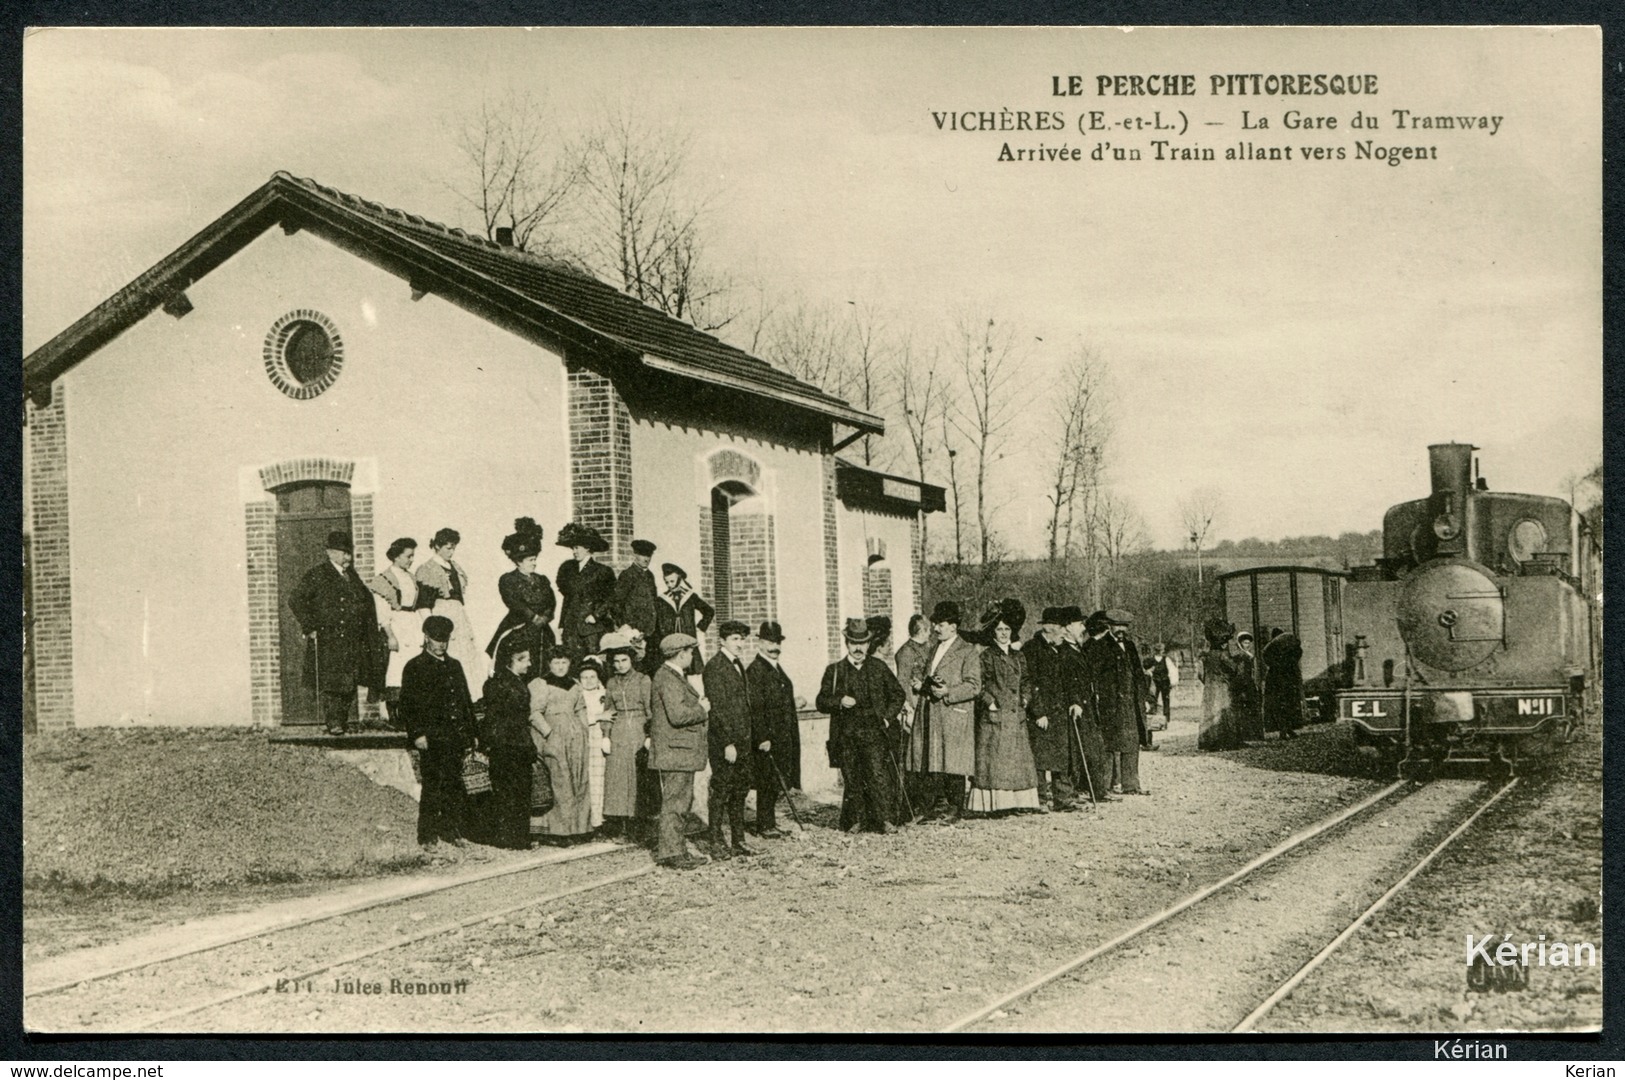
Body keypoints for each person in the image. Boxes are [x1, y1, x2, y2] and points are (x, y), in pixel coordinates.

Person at [288, 530, 383, 736]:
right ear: (330, 552)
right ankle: (333, 722)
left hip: (352, 639)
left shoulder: (351, 576)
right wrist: (310, 626)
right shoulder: (318, 574)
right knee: (332, 683)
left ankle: (342, 720)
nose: (348, 558)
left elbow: (364, 601)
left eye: (349, 553)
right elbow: (296, 599)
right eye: (343, 553)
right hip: (330, 639)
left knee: (349, 681)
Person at [817, 618, 904, 834]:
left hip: (874, 732)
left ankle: (885, 820)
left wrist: (886, 717)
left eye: (862, 643)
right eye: (854, 643)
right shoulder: (835, 670)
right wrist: (839, 701)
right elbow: (821, 701)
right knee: (852, 777)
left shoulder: (879, 668)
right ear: (847, 644)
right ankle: (855, 821)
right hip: (846, 734)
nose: (858, 648)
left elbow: (898, 694)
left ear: (868, 644)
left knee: (877, 774)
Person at [398, 614, 476, 847]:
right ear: (426, 638)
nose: (441, 644)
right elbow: (408, 706)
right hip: (431, 738)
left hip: (455, 736)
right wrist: (418, 734)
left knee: (454, 785)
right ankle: (427, 835)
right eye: (436, 639)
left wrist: (472, 732)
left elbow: (465, 701)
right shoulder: (415, 667)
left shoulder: (455, 666)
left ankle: (450, 831)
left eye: (445, 640)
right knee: (433, 786)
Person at [907, 601, 980, 822]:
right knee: (934, 762)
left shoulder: (967, 651)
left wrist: (948, 692)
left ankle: (955, 809)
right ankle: (935, 808)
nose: (936, 628)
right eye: (936, 624)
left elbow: (974, 685)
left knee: (954, 764)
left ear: (953, 627)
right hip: (932, 713)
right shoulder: (934, 649)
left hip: (954, 713)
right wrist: (923, 686)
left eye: (940, 624)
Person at [968, 599, 1041, 814]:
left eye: (1007, 629)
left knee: (1017, 761)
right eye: (999, 630)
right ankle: (996, 805)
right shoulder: (986, 656)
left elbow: (1026, 681)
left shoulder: (1019, 656)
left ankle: (1019, 802)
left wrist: (1026, 700)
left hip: (1015, 716)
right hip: (995, 718)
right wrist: (989, 702)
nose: (1003, 633)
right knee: (995, 762)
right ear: (993, 633)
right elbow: (978, 685)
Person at [648, 633, 711, 870]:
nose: (692, 656)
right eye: (690, 652)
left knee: (679, 801)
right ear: (681, 653)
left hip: (678, 751)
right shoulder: (668, 678)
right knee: (676, 803)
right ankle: (673, 853)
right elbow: (678, 715)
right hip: (676, 752)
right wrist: (701, 708)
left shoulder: (671, 676)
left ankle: (674, 850)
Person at [702, 621, 756, 859]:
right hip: (725, 743)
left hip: (742, 741)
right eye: (735, 639)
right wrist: (727, 743)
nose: (740, 644)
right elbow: (718, 709)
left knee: (739, 791)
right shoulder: (715, 667)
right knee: (721, 791)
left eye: (742, 639)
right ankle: (715, 842)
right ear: (722, 641)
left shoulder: (737, 665)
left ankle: (738, 840)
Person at [479, 629, 537, 850]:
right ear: (514, 660)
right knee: (509, 791)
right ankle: (510, 837)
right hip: (508, 744)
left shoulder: (509, 681)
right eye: (526, 660)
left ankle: (516, 837)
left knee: (516, 791)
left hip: (513, 743)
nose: (529, 664)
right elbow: (497, 717)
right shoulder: (502, 683)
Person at [745, 620, 802, 838]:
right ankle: (764, 825)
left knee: (773, 782)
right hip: (768, 738)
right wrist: (761, 737)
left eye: (777, 642)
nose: (774, 647)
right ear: (759, 643)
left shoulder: (774, 667)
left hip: (781, 735)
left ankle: (769, 822)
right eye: (769, 642)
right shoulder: (756, 670)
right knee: (766, 781)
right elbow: (755, 708)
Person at [530, 647, 592, 843]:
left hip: (576, 737)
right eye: (556, 663)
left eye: (564, 662)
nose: (560, 667)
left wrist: (585, 731)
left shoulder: (574, 684)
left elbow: (581, 708)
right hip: (553, 736)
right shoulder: (541, 684)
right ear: (549, 664)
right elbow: (534, 713)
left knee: (579, 781)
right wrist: (549, 734)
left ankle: (580, 828)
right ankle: (559, 831)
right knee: (560, 781)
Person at [1087, 609, 1150, 795]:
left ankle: (1131, 784)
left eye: (1124, 626)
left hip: (1131, 703)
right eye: (1117, 626)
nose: (1121, 630)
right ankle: (1105, 787)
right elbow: (1094, 676)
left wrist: (1144, 698)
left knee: (1132, 742)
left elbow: (1138, 674)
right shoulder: (1100, 647)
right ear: (1109, 627)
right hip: (1110, 703)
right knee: (1109, 744)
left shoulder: (1130, 646)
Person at [1024, 608, 1079, 811]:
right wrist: (1038, 712)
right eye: (1062, 628)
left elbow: (1071, 680)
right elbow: (1029, 683)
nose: (1065, 632)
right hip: (1041, 714)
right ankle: (1039, 799)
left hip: (1061, 713)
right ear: (1049, 628)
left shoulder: (1063, 649)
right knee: (1039, 758)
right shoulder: (1031, 649)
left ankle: (1062, 799)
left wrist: (1075, 701)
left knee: (1063, 757)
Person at [599, 632, 653, 840]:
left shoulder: (643, 680)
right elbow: (608, 710)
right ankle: (620, 827)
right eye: (616, 662)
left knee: (638, 779)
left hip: (639, 730)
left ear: (631, 660)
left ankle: (639, 827)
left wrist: (649, 735)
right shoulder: (611, 683)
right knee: (617, 780)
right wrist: (606, 734)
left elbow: (650, 709)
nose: (620, 665)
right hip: (619, 731)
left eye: (624, 660)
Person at [1060, 606, 1115, 803]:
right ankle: (1079, 791)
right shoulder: (1064, 652)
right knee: (1079, 752)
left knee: (1094, 749)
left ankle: (1096, 791)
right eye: (1079, 623)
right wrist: (1075, 701)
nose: (1083, 627)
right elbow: (1069, 681)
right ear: (1067, 627)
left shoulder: (1078, 648)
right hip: (1076, 708)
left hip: (1088, 706)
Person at [368, 537, 426, 726]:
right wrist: (390, 635)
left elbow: (416, 605)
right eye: (408, 556)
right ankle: (395, 716)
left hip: (412, 624)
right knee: (396, 670)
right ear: (396, 556)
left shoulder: (410, 577)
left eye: (412, 556)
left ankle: (412, 715)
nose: (411, 560)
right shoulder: (383, 579)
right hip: (396, 625)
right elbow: (382, 611)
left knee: (414, 668)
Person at [415, 528, 478, 700]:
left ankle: (467, 697)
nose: (451, 552)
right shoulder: (427, 569)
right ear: (437, 546)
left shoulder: (455, 567)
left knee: (465, 654)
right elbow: (423, 603)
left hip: (458, 615)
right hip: (441, 613)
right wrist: (431, 628)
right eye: (448, 548)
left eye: (453, 548)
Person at [485, 517, 556, 669]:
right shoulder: (508, 579)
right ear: (519, 562)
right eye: (530, 560)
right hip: (517, 626)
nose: (534, 563)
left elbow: (551, 601)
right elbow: (513, 602)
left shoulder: (542, 579)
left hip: (542, 629)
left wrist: (544, 617)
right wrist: (533, 617)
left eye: (535, 559)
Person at [892, 614, 933, 818]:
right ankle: (912, 806)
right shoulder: (906, 652)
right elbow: (902, 683)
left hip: (927, 707)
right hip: (914, 709)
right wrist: (907, 709)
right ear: (922, 630)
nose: (930, 634)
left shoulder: (928, 649)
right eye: (928, 630)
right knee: (914, 758)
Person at [555, 523, 616, 661]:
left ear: (587, 548)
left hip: (591, 628)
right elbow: (568, 599)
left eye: (577, 548)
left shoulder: (602, 571)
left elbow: (611, 598)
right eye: (573, 548)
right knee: (572, 663)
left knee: (592, 662)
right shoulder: (568, 569)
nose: (574, 551)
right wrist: (562, 624)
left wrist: (596, 615)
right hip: (571, 627)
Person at [654, 564, 715, 676]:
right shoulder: (661, 600)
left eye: (672, 581)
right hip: (671, 639)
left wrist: (700, 628)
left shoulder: (690, 597)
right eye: (666, 582)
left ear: (679, 579)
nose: (670, 585)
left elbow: (709, 611)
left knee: (690, 672)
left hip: (688, 639)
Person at [1197, 618, 1243, 752]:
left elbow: (1201, 675)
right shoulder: (1223, 655)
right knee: (1223, 712)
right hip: (1222, 686)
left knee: (1210, 712)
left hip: (1209, 688)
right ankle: (1226, 741)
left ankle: (1210, 742)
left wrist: (1207, 681)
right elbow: (1233, 669)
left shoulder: (1206, 656)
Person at [578, 657, 611, 830]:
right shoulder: (578, 695)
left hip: (600, 739)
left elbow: (611, 714)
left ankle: (600, 821)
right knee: (586, 779)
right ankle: (587, 821)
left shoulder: (604, 694)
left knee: (601, 780)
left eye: (592, 677)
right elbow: (577, 718)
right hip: (584, 739)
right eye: (585, 677)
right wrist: (597, 717)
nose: (589, 681)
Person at [1261, 628, 1306, 739]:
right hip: (1288, 681)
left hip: (1275, 682)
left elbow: (1267, 659)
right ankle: (1287, 729)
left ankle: (1283, 730)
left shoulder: (1271, 654)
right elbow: (1298, 654)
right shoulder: (1291, 655)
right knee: (1289, 705)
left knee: (1278, 706)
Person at [614, 539, 662, 641]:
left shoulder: (650, 575)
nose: (646, 559)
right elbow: (617, 603)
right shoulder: (627, 575)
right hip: (634, 630)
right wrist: (625, 626)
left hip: (650, 630)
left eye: (649, 556)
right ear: (635, 555)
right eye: (643, 555)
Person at [1232, 631, 1262, 741]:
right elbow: (1240, 672)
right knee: (1244, 709)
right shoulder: (1239, 656)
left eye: (1249, 643)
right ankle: (1246, 734)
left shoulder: (1250, 655)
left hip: (1250, 683)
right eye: (1245, 643)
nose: (1247, 645)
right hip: (1243, 684)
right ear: (1240, 643)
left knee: (1252, 708)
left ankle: (1253, 734)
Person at [1146, 642, 1178, 732]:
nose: (1161, 652)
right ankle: (1153, 718)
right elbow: (1147, 670)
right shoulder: (1151, 660)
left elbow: (1172, 671)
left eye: (1161, 650)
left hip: (1164, 682)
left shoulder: (1166, 659)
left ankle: (1166, 719)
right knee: (1153, 699)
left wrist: (1172, 682)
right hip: (1155, 682)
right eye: (1159, 650)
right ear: (1157, 651)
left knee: (1166, 700)